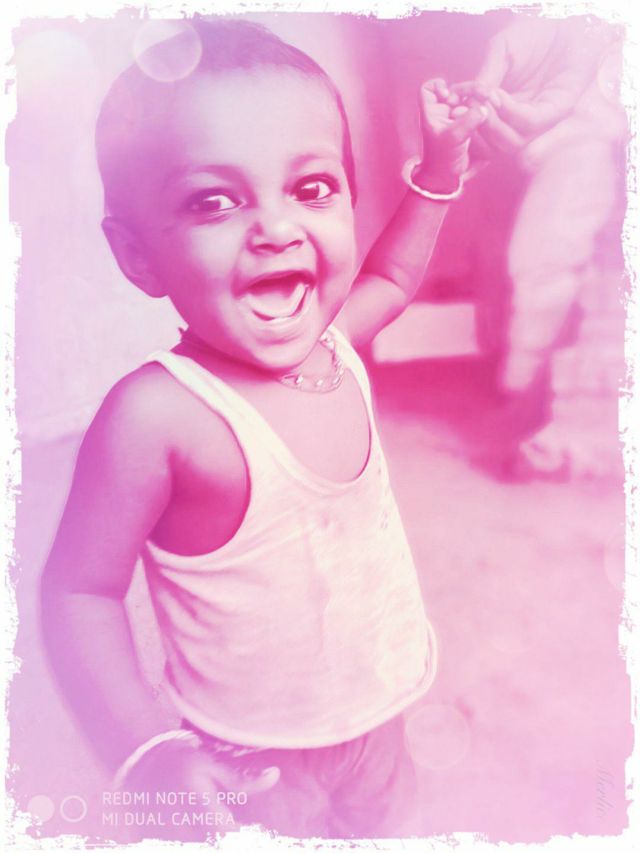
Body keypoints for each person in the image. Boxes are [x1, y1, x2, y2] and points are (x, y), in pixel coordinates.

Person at [39, 18, 486, 841]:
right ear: (138, 256)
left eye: (311, 188)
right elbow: (79, 592)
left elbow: (391, 273)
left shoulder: (334, 344)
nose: (277, 229)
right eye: (214, 200)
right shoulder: (158, 415)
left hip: (380, 713)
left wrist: (439, 171)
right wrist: (145, 751)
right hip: (252, 760)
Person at [447, 15, 625, 478]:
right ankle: (522, 390)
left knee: (555, 261)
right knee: (541, 257)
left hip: (595, 129)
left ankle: (536, 402)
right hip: (579, 123)